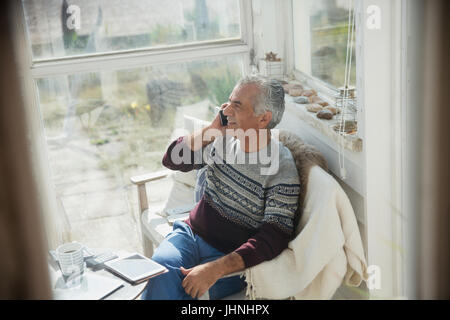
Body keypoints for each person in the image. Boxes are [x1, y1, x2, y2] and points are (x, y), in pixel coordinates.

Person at [141, 75, 301, 300]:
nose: (226, 111)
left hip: (230, 260)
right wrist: (210, 131)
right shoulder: (222, 139)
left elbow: (273, 237)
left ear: (263, 119)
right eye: (228, 102)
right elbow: (171, 160)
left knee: (181, 293)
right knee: (158, 273)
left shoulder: (281, 168)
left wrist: (215, 269)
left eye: (237, 105)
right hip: (190, 235)